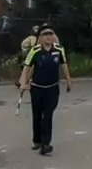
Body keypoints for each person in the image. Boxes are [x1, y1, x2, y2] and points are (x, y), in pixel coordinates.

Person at [19, 25, 72, 157]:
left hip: (52, 88)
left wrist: (68, 79)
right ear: (40, 38)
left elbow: (63, 64)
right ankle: (37, 140)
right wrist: (22, 82)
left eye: (51, 34)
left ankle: (45, 143)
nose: (49, 37)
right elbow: (27, 67)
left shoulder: (59, 49)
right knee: (37, 115)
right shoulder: (35, 51)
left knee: (48, 115)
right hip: (37, 88)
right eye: (45, 34)